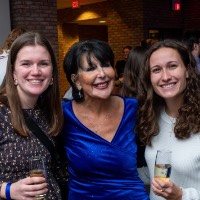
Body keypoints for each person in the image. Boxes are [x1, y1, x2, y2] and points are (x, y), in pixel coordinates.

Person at [62, 39, 149, 200]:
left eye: (106, 65)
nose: (102, 74)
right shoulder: (63, 116)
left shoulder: (134, 109)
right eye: (91, 69)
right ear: (76, 81)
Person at [0, 32, 68, 199]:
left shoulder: (52, 112)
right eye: (26, 64)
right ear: (13, 72)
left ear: (52, 72)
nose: (36, 71)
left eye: (43, 63)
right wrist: (8, 191)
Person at [136, 39, 200, 200]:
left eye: (172, 66)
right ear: (149, 77)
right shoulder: (151, 117)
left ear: (187, 70)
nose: (165, 77)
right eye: (156, 70)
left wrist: (182, 195)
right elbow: (155, 171)